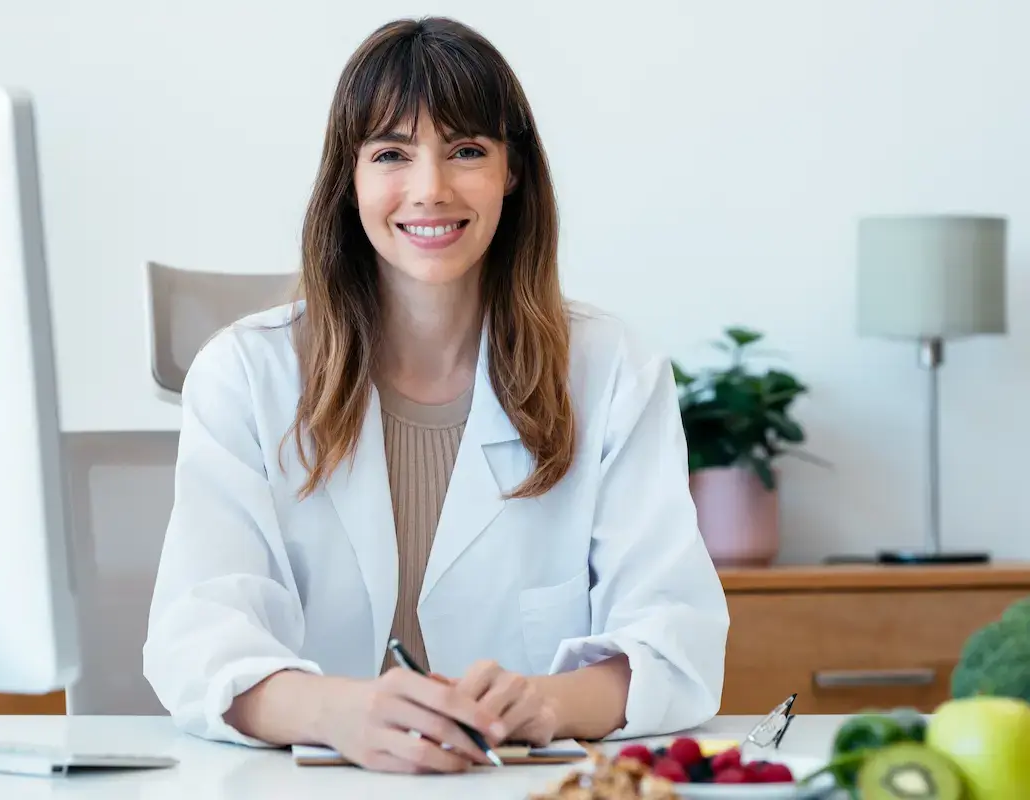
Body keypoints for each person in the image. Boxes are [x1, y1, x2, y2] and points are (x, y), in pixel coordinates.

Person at [142, 16, 729, 774]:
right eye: (391, 153)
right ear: (347, 179)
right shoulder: (244, 374)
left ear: (511, 172)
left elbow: (673, 641)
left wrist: (547, 703)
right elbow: (198, 640)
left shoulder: (611, 369)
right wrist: (339, 713)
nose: (430, 190)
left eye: (466, 151)